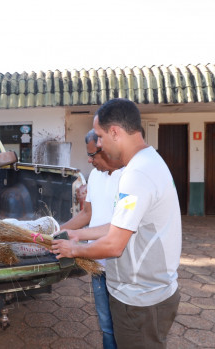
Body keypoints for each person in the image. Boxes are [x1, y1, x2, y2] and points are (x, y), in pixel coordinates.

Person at [52, 98, 182, 349]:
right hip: (145, 293)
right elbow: (119, 227)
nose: (98, 144)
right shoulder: (148, 162)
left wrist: (74, 249)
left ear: (115, 132)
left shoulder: (137, 174)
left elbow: (114, 245)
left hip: (141, 299)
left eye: (99, 137)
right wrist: (78, 234)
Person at [59, 129, 122, 349]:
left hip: (122, 266)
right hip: (97, 263)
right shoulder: (95, 175)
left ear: (107, 149)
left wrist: (77, 240)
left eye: (93, 154)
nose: (89, 159)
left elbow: (120, 227)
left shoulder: (130, 177)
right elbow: (87, 214)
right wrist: (58, 231)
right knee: (106, 326)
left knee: (124, 328)